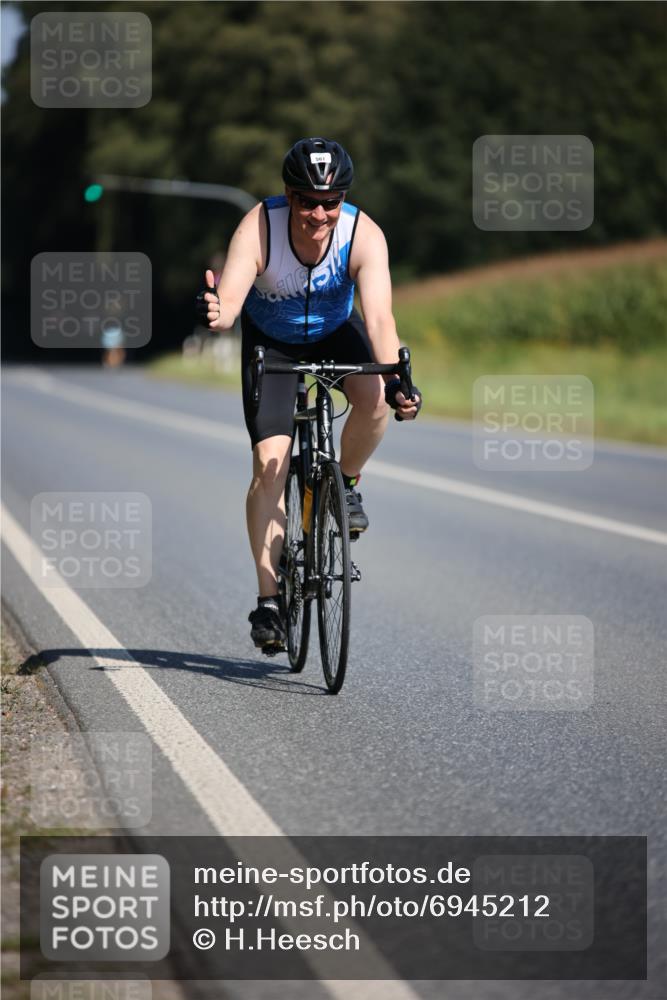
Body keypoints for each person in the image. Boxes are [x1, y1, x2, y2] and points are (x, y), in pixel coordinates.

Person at [196, 137, 421, 652]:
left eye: (330, 201)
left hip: (335, 330)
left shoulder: (363, 235)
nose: (318, 213)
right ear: (287, 195)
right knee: (270, 464)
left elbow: (381, 317)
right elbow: (230, 300)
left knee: (374, 401)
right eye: (305, 200)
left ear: (343, 199)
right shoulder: (258, 227)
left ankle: (342, 485)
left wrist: (395, 380)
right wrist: (217, 312)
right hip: (271, 344)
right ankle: (270, 600)